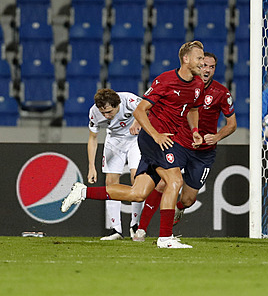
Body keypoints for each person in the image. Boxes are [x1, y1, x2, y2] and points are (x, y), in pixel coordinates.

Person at [61, 41, 205, 249]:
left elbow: (192, 109)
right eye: (199, 58)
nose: (202, 62)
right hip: (155, 139)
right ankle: (165, 238)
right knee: (174, 181)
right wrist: (155, 135)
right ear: (186, 59)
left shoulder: (198, 85)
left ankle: (82, 192)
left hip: (169, 139)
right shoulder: (165, 81)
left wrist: (195, 131)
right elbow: (140, 111)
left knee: (137, 193)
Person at [134, 52, 236, 241]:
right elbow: (162, 105)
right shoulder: (185, 84)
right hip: (179, 143)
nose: (206, 69)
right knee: (164, 183)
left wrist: (217, 136)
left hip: (203, 152)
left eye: (211, 67)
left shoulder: (221, 92)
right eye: (203, 64)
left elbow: (232, 124)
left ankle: (178, 209)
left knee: (188, 199)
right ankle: (141, 229)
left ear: (214, 70)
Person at [87, 88, 143, 240]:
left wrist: (137, 121)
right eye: (103, 112)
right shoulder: (94, 112)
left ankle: (136, 226)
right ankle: (116, 230)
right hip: (114, 141)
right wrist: (91, 166)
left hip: (135, 139)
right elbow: (92, 138)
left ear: (117, 104)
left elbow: (146, 107)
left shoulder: (128, 99)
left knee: (136, 179)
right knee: (110, 182)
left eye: (110, 112)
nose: (106, 116)